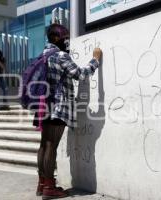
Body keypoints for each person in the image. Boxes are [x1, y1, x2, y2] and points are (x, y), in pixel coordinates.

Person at [35, 24, 102, 199]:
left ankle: (42, 183)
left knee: (44, 144)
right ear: (55, 38)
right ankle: (50, 187)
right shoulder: (60, 55)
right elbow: (79, 74)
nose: (67, 39)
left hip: (43, 104)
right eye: (64, 36)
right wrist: (95, 60)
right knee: (51, 145)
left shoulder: (42, 55)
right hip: (58, 106)